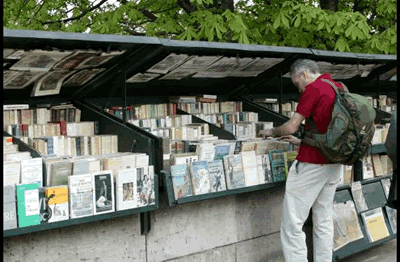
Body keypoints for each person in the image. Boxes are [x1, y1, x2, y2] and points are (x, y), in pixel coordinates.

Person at [259, 59, 346, 262]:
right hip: (334, 161)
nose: (298, 88)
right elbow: (327, 128)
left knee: (292, 223)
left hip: (313, 164)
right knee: (323, 218)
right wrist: (301, 141)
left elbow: (290, 126)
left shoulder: (313, 89)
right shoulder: (338, 86)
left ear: (304, 75)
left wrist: (270, 131)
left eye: (296, 83)